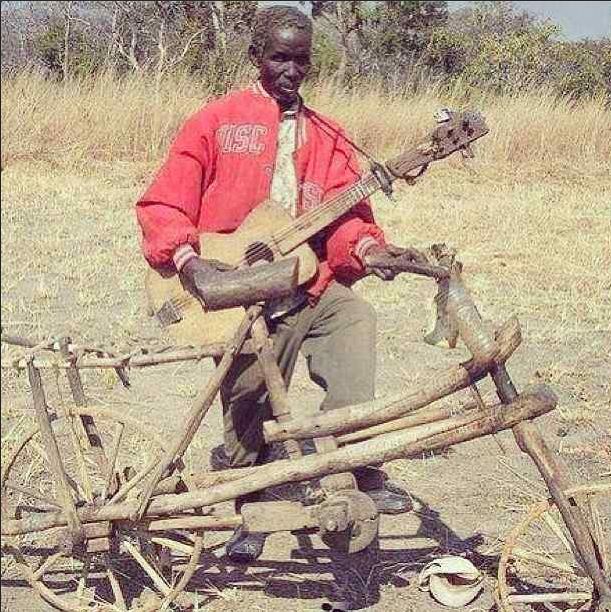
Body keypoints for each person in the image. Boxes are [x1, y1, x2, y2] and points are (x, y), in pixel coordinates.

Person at [136, 3, 414, 564]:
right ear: (255, 56)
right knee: (247, 402)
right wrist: (192, 263)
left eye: (302, 60)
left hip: (307, 287)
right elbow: (163, 204)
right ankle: (250, 504)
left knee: (355, 318)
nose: (292, 71)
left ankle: (353, 464)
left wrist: (367, 248)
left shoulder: (328, 135)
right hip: (236, 293)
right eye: (280, 58)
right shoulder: (215, 121)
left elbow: (346, 220)